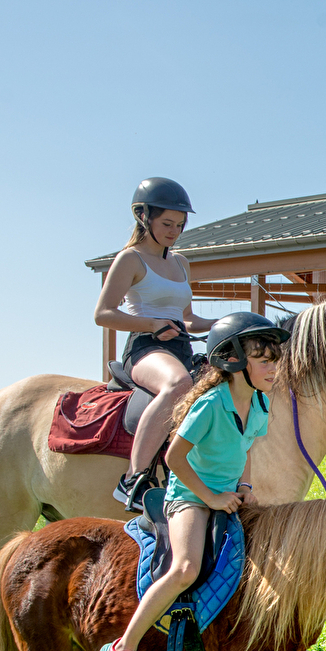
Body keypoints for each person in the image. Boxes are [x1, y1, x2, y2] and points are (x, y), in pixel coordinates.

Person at [98, 312, 287, 651]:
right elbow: (175, 457)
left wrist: (245, 486)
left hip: (229, 495)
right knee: (184, 568)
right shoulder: (210, 404)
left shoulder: (260, 403)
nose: (274, 367)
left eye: (275, 358)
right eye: (264, 359)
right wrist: (212, 497)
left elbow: (246, 446)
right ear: (234, 361)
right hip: (189, 496)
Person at [93, 177, 216, 512]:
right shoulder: (130, 259)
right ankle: (132, 479)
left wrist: (224, 324)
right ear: (143, 217)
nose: (174, 231)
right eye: (166, 224)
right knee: (178, 383)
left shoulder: (181, 263)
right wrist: (152, 324)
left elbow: (187, 318)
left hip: (181, 347)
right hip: (145, 348)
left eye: (179, 225)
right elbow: (103, 314)